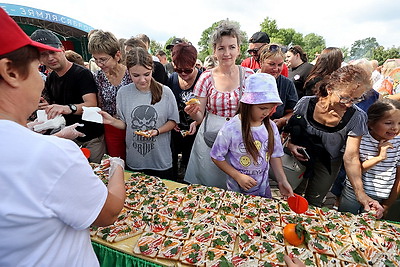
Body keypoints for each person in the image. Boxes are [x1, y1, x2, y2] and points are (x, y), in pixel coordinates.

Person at [0, 8, 125, 266]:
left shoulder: (80, 76)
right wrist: (118, 168)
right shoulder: (52, 155)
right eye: (38, 68)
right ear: (10, 72)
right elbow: (108, 212)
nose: (41, 78)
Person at [283, 65, 370, 207]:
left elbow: (351, 157)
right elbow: (289, 131)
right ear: (330, 89)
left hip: (329, 162)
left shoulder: (357, 117)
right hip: (300, 158)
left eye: (355, 99)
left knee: (314, 201)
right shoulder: (306, 103)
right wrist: (291, 145)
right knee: (292, 196)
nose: (348, 104)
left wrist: (360, 194)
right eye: (344, 98)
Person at [184, 20, 254, 189]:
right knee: (210, 185)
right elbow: (199, 116)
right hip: (211, 137)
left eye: (231, 47)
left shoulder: (250, 75)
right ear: (214, 51)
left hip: (241, 134)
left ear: (239, 48)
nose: (227, 53)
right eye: (221, 48)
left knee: (237, 186)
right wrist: (193, 113)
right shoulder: (206, 77)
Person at [100, 47, 179, 180]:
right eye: (136, 75)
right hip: (135, 160)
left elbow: (173, 121)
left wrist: (157, 131)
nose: (142, 80)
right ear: (128, 72)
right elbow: (126, 124)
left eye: (146, 74)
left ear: (152, 70)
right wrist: (112, 121)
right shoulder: (123, 93)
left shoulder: (165, 92)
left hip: (160, 160)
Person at [210, 73, 294, 198]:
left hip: (263, 191)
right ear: (248, 104)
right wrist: (238, 176)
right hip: (237, 192)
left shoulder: (271, 127)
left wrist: (282, 180)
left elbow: (274, 156)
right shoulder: (231, 128)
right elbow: (216, 156)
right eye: (262, 108)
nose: (266, 112)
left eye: (271, 108)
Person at [31, 29, 106, 163]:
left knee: (97, 176)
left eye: (53, 52)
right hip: (69, 139)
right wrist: (48, 108)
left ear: (62, 49)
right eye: (44, 54)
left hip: (91, 138)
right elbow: (58, 105)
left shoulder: (82, 74)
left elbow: (92, 104)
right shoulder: (51, 78)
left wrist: (67, 108)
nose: (50, 58)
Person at [339, 99, 400, 218]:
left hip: (380, 195)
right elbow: (355, 169)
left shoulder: (398, 143)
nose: (395, 128)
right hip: (353, 192)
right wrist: (379, 157)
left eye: (399, 123)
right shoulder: (359, 138)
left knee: (369, 230)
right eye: (388, 123)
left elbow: (399, 178)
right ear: (370, 123)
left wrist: (387, 205)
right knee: (344, 221)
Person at [88, 30, 133, 160]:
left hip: (134, 126)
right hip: (111, 128)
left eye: (103, 59)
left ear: (117, 55)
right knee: (117, 162)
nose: (99, 64)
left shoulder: (132, 74)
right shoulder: (98, 77)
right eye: (95, 59)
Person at [167, 43, 203, 180]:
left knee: (191, 167)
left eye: (187, 70)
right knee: (173, 165)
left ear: (195, 64)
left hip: (196, 132)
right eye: (178, 70)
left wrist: (198, 120)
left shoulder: (202, 79)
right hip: (176, 130)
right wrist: (172, 120)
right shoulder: (172, 79)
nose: (183, 74)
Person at [259, 44, 298, 130]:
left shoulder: (287, 84)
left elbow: (292, 112)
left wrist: (283, 120)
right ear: (261, 62)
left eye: (280, 65)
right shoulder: (249, 78)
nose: (276, 69)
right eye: (271, 64)